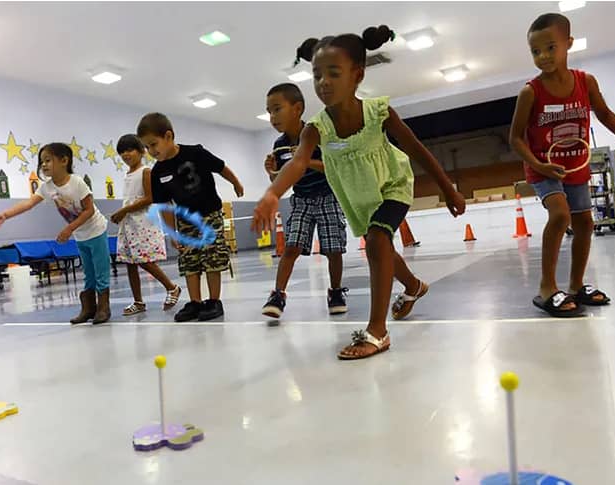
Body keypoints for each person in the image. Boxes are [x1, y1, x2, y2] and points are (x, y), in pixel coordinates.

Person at [252, 26, 465, 360]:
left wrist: (448, 189)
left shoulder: (379, 112)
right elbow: (298, 162)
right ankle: (413, 286)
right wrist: (272, 193)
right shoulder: (316, 128)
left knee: (378, 242)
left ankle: (377, 332)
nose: (323, 82)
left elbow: (416, 148)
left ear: (358, 75)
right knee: (382, 248)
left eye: (333, 73)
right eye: (317, 75)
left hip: (392, 185)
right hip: (358, 198)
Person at [509, 13, 615, 317]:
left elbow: (604, 113)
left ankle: (576, 284)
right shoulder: (530, 92)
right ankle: (547, 287)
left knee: (584, 224)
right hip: (543, 167)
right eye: (535, 51)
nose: (543, 56)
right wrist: (538, 165)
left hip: (575, 166)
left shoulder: (585, 82)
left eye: (550, 47)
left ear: (568, 43)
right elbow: (515, 138)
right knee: (560, 215)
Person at [137, 112, 244, 322]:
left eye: (154, 144)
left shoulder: (195, 153)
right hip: (186, 221)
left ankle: (214, 301)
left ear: (168, 136)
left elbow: (221, 168)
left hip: (210, 214)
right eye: (147, 147)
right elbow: (164, 205)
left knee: (212, 257)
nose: (151, 151)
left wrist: (236, 183)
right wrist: (173, 233)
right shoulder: (157, 172)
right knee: (189, 261)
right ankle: (195, 302)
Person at [0, 143, 112, 324]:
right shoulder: (47, 187)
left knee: (101, 271)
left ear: (64, 160)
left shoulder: (77, 182)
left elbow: (89, 210)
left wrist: (69, 229)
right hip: (80, 235)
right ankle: (89, 308)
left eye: (48, 160)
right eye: (42, 162)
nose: (43, 165)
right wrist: (5, 215)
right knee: (89, 273)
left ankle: (103, 307)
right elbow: (29, 203)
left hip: (96, 230)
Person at [261, 83, 349, 319]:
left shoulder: (317, 134)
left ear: (297, 108)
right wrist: (272, 172)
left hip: (328, 196)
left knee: (333, 249)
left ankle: (336, 292)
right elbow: (282, 177)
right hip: (301, 199)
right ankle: (278, 295)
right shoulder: (279, 145)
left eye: (277, 109)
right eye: (269, 112)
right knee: (292, 246)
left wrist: (304, 159)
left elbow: (333, 167)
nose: (272, 117)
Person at [110, 134, 181, 316]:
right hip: (128, 224)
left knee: (145, 261)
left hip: (143, 223)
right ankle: (138, 301)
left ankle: (172, 287)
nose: (126, 154)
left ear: (141, 151)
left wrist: (124, 210)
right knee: (130, 263)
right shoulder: (128, 174)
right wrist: (123, 213)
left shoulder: (146, 171)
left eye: (130, 150)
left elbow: (150, 198)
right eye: (122, 152)